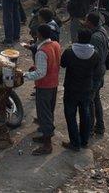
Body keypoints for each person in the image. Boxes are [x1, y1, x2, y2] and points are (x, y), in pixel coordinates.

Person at [23, 24, 61, 156]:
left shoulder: (41, 51)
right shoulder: (55, 45)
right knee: (48, 111)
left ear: (39, 35)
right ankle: (46, 135)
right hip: (53, 84)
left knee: (44, 114)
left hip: (44, 86)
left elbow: (40, 73)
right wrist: (36, 67)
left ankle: (47, 144)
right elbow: (52, 63)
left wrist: (24, 76)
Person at [60, 28, 99, 152]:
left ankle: (75, 142)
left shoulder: (69, 52)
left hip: (71, 88)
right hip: (86, 88)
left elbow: (62, 64)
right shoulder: (95, 53)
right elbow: (97, 67)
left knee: (70, 115)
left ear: (78, 37)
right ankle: (84, 140)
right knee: (85, 114)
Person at [85, 12, 109, 136]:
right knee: (96, 99)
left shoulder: (95, 38)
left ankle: (89, 129)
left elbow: (95, 58)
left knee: (89, 101)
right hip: (101, 70)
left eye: (86, 21)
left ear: (90, 22)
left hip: (95, 74)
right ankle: (99, 126)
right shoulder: (102, 30)